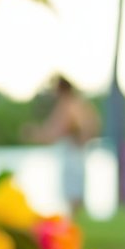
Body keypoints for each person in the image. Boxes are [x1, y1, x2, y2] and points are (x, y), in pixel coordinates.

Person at [24, 76, 100, 214]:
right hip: (81, 154)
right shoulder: (81, 104)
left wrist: (33, 134)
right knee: (77, 201)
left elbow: (53, 134)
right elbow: (93, 128)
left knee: (72, 202)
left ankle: (71, 232)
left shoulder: (66, 106)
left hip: (71, 156)